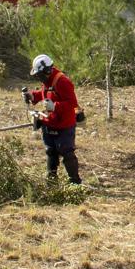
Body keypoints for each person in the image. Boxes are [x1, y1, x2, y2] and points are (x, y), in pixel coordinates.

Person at [27, 54, 82, 185]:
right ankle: (51, 182)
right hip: (50, 122)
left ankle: (75, 183)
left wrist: (55, 106)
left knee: (66, 152)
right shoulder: (47, 80)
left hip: (64, 125)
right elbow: (44, 93)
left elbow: (72, 103)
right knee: (51, 152)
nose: (39, 78)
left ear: (47, 70)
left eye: (40, 75)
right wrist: (31, 95)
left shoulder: (63, 81)